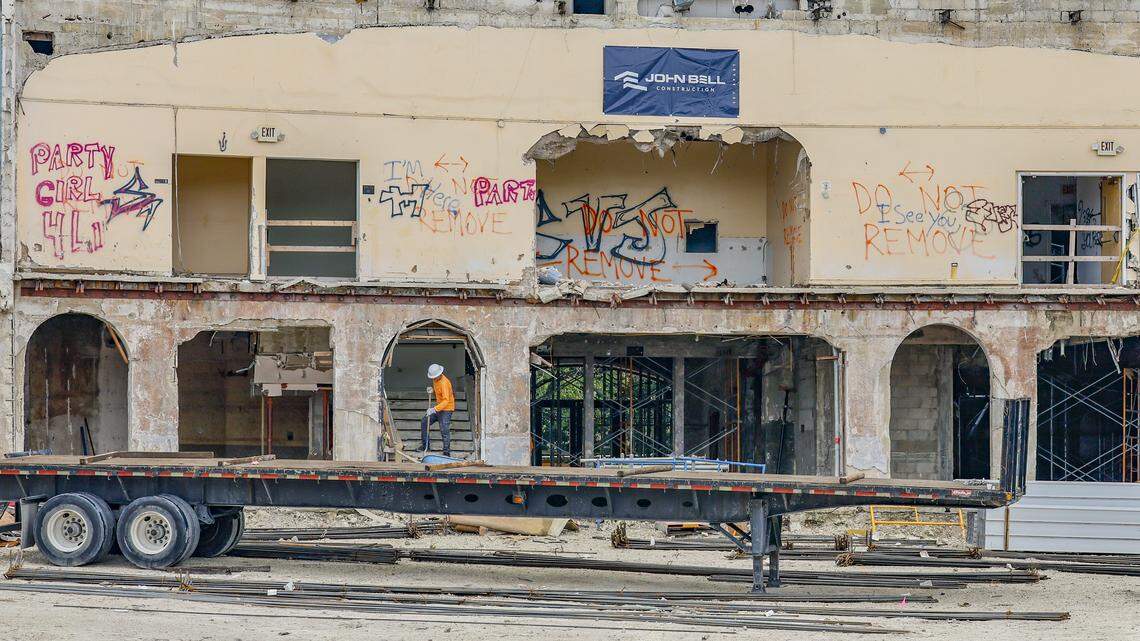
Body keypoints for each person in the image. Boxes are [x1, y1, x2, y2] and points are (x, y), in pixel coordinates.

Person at [420, 363, 455, 456]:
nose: (433, 378)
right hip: (439, 407)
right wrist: (432, 390)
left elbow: (446, 400)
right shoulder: (435, 380)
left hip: (447, 409)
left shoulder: (444, 383)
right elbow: (438, 393)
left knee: (444, 429)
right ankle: (425, 446)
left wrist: (434, 409)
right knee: (424, 422)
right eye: (433, 377)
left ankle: (446, 452)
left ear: (439, 374)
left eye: (435, 377)